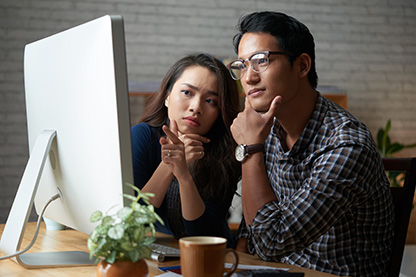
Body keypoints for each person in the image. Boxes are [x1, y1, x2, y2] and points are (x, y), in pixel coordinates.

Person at [227, 11, 394, 276]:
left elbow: (272, 241)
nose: (249, 77)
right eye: (242, 65)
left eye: (261, 61)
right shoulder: (268, 128)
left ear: (302, 66)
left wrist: (249, 150)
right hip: (280, 270)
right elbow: (257, 220)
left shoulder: (347, 144)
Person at [131, 53, 241, 247]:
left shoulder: (225, 151)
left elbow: (201, 233)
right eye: (187, 93)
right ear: (167, 96)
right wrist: (169, 164)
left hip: (216, 257)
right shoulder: (143, 137)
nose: (196, 107)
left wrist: (183, 175)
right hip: (164, 252)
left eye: (210, 101)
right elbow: (133, 219)